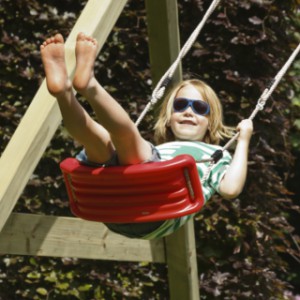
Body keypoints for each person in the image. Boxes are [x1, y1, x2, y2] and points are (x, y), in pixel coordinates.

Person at [40, 32, 253, 240]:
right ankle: (63, 92)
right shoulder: (159, 150)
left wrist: (243, 141)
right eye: (180, 106)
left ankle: (89, 85)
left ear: (211, 121)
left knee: (128, 138)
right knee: (101, 141)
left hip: (154, 211)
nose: (189, 111)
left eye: (199, 107)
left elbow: (230, 189)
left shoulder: (215, 154)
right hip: (114, 205)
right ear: (169, 118)